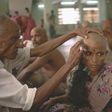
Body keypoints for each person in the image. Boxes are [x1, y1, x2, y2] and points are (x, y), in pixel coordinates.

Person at [0, 13, 84, 112]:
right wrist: (69, 64)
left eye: (19, 38)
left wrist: (73, 33)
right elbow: (31, 100)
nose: (20, 44)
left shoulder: (7, 53)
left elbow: (39, 51)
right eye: (14, 39)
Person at [40, 29, 112, 112]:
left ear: (106, 53)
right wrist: (54, 100)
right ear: (80, 53)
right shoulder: (82, 71)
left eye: (100, 54)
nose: (94, 60)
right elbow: (74, 96)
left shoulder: (109, 75)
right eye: (88, 53)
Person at [17, 26, 66, 96]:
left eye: (37, 36)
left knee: (30, 77)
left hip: (60, 87)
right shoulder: (42, 50)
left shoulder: (48, 51)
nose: (33, 40)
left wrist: (13, 83)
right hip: (53, 84)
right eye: (32, 36)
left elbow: (27, 71)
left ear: (45, 37)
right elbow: (28, 61)